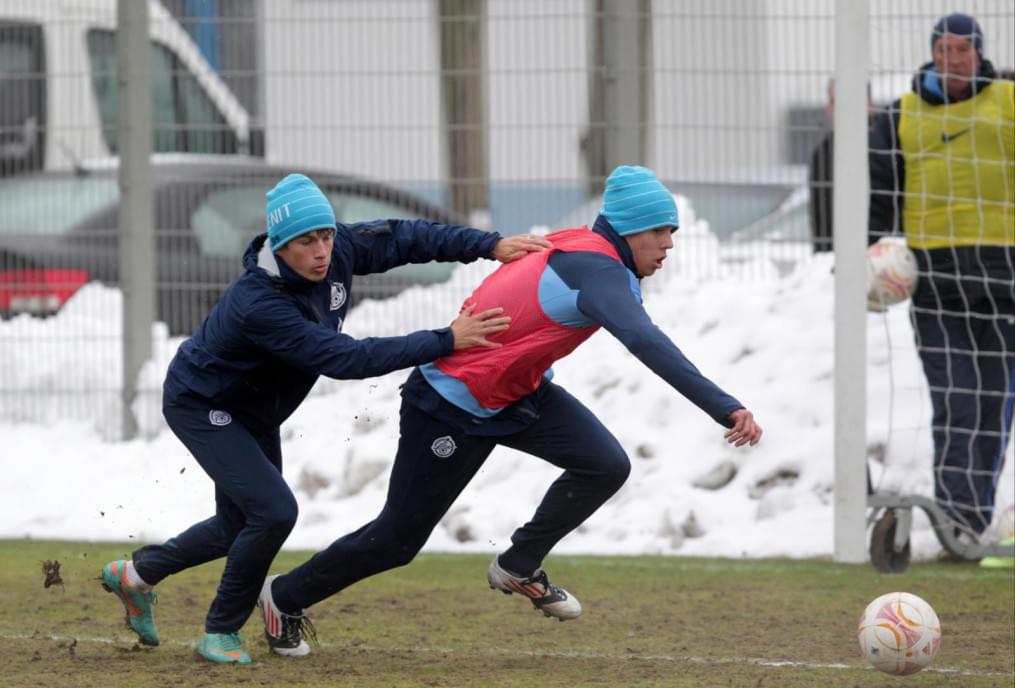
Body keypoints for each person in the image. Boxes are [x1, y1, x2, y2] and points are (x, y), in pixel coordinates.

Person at [255, 165, 763, 657]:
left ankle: (519, 563)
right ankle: (285, 596)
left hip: (517, 393)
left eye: (671, 231)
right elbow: (645, 341)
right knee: (395, 541)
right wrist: (726, 407)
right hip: (450, 402)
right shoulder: (599, 271)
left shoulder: (588, 247)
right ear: (629, 229)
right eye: (660, 231)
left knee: (605, 464)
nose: (669, 244)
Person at [99, 173, 552, 664]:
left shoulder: (338, 251)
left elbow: (406, 237)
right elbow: (344, 359)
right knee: (273, 512)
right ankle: (219, 631)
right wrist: (446, 339)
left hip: (253, 409)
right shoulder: (260, 303)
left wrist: (489, 244)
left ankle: (137, 574)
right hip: (204, 405)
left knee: (238, 524)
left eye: (326, 236)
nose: (320, 251)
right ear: (279, 244)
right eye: (305, 242)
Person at [867, 13, 1014, 539]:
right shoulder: (900, 115)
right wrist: (871, 256)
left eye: (963, 51)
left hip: (1005, 283)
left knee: (996, 403)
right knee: (955, 398)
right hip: (935, 283)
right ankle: (957, 521)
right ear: (932, 53)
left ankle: (975, 519)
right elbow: (879, 195)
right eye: (944, 50)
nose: (953, 60)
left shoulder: (1010, 100)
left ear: (979, 54)